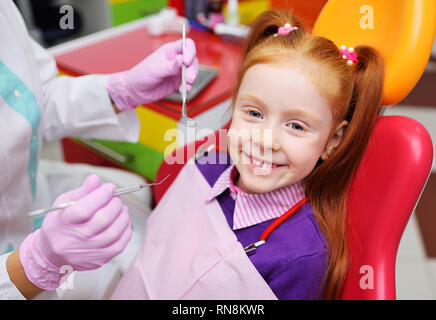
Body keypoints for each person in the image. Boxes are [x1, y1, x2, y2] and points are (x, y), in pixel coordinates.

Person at [111, 9, 385, 300]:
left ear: (333, 140)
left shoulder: (300, 256)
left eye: (295, 125)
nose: (265, 141)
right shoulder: (204, 168)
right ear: (236, 103)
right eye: (254, 112)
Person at [0, 0, 198, 300]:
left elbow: (33, 96)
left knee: (139, 214)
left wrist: (121, 90)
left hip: (29, 201)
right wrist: (32, 266)